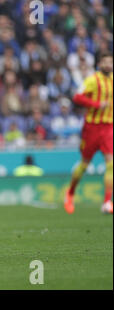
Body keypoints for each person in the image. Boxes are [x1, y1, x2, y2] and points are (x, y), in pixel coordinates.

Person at [64, 51, 113, 215]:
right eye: (106, 62)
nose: (109, 65)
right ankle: (70, 192)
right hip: (92, 127)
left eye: (110, 62)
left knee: (111, 163)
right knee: (84, 164)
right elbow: (77, 97)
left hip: (108, 127)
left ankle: (107, 202)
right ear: (99, 64)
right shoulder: (92, 80)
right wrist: (97, 104)